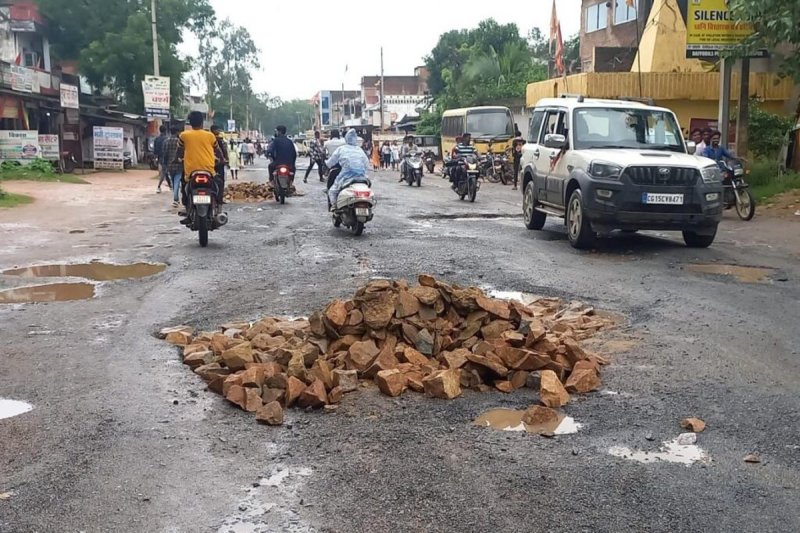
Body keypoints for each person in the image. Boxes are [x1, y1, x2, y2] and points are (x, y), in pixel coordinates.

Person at [176, 111, 223, 221]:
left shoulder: (184, 135)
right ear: (202, 123)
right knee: (218, 184)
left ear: (190, 123)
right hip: (208, 170)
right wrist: (222, 159)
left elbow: (179, 151)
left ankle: (187, 207)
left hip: (191, 171)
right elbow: (218, 151)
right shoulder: (210, 136)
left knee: (184, 186)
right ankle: (219, 207)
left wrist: (178, 159)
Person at [326, 129, 370, 210]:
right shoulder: (359, 150)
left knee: (332, 191)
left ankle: (335, 207)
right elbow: (367, 164)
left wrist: (326, 164)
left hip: (346, 176)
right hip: (362, 177)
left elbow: (330, 163)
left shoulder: (341, 149)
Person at [163, 125, 183, 207]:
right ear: (177, 132)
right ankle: (175, 199)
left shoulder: (166, 141)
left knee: (173, 181)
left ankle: (176, 199)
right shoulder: (179, 141)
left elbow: (165, 154)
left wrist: (165, 164)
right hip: (179, 164)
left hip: (170, 165)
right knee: (177, 181)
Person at [154, 125, 168, 193]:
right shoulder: (167, 139)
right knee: (164, 172)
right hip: (166, 157)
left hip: (160, 157)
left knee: (164, 171)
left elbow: (155, 150)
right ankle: (158, 186)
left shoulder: (157, 139)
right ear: (165, 131)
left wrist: (156, 158)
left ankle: (171, 185)